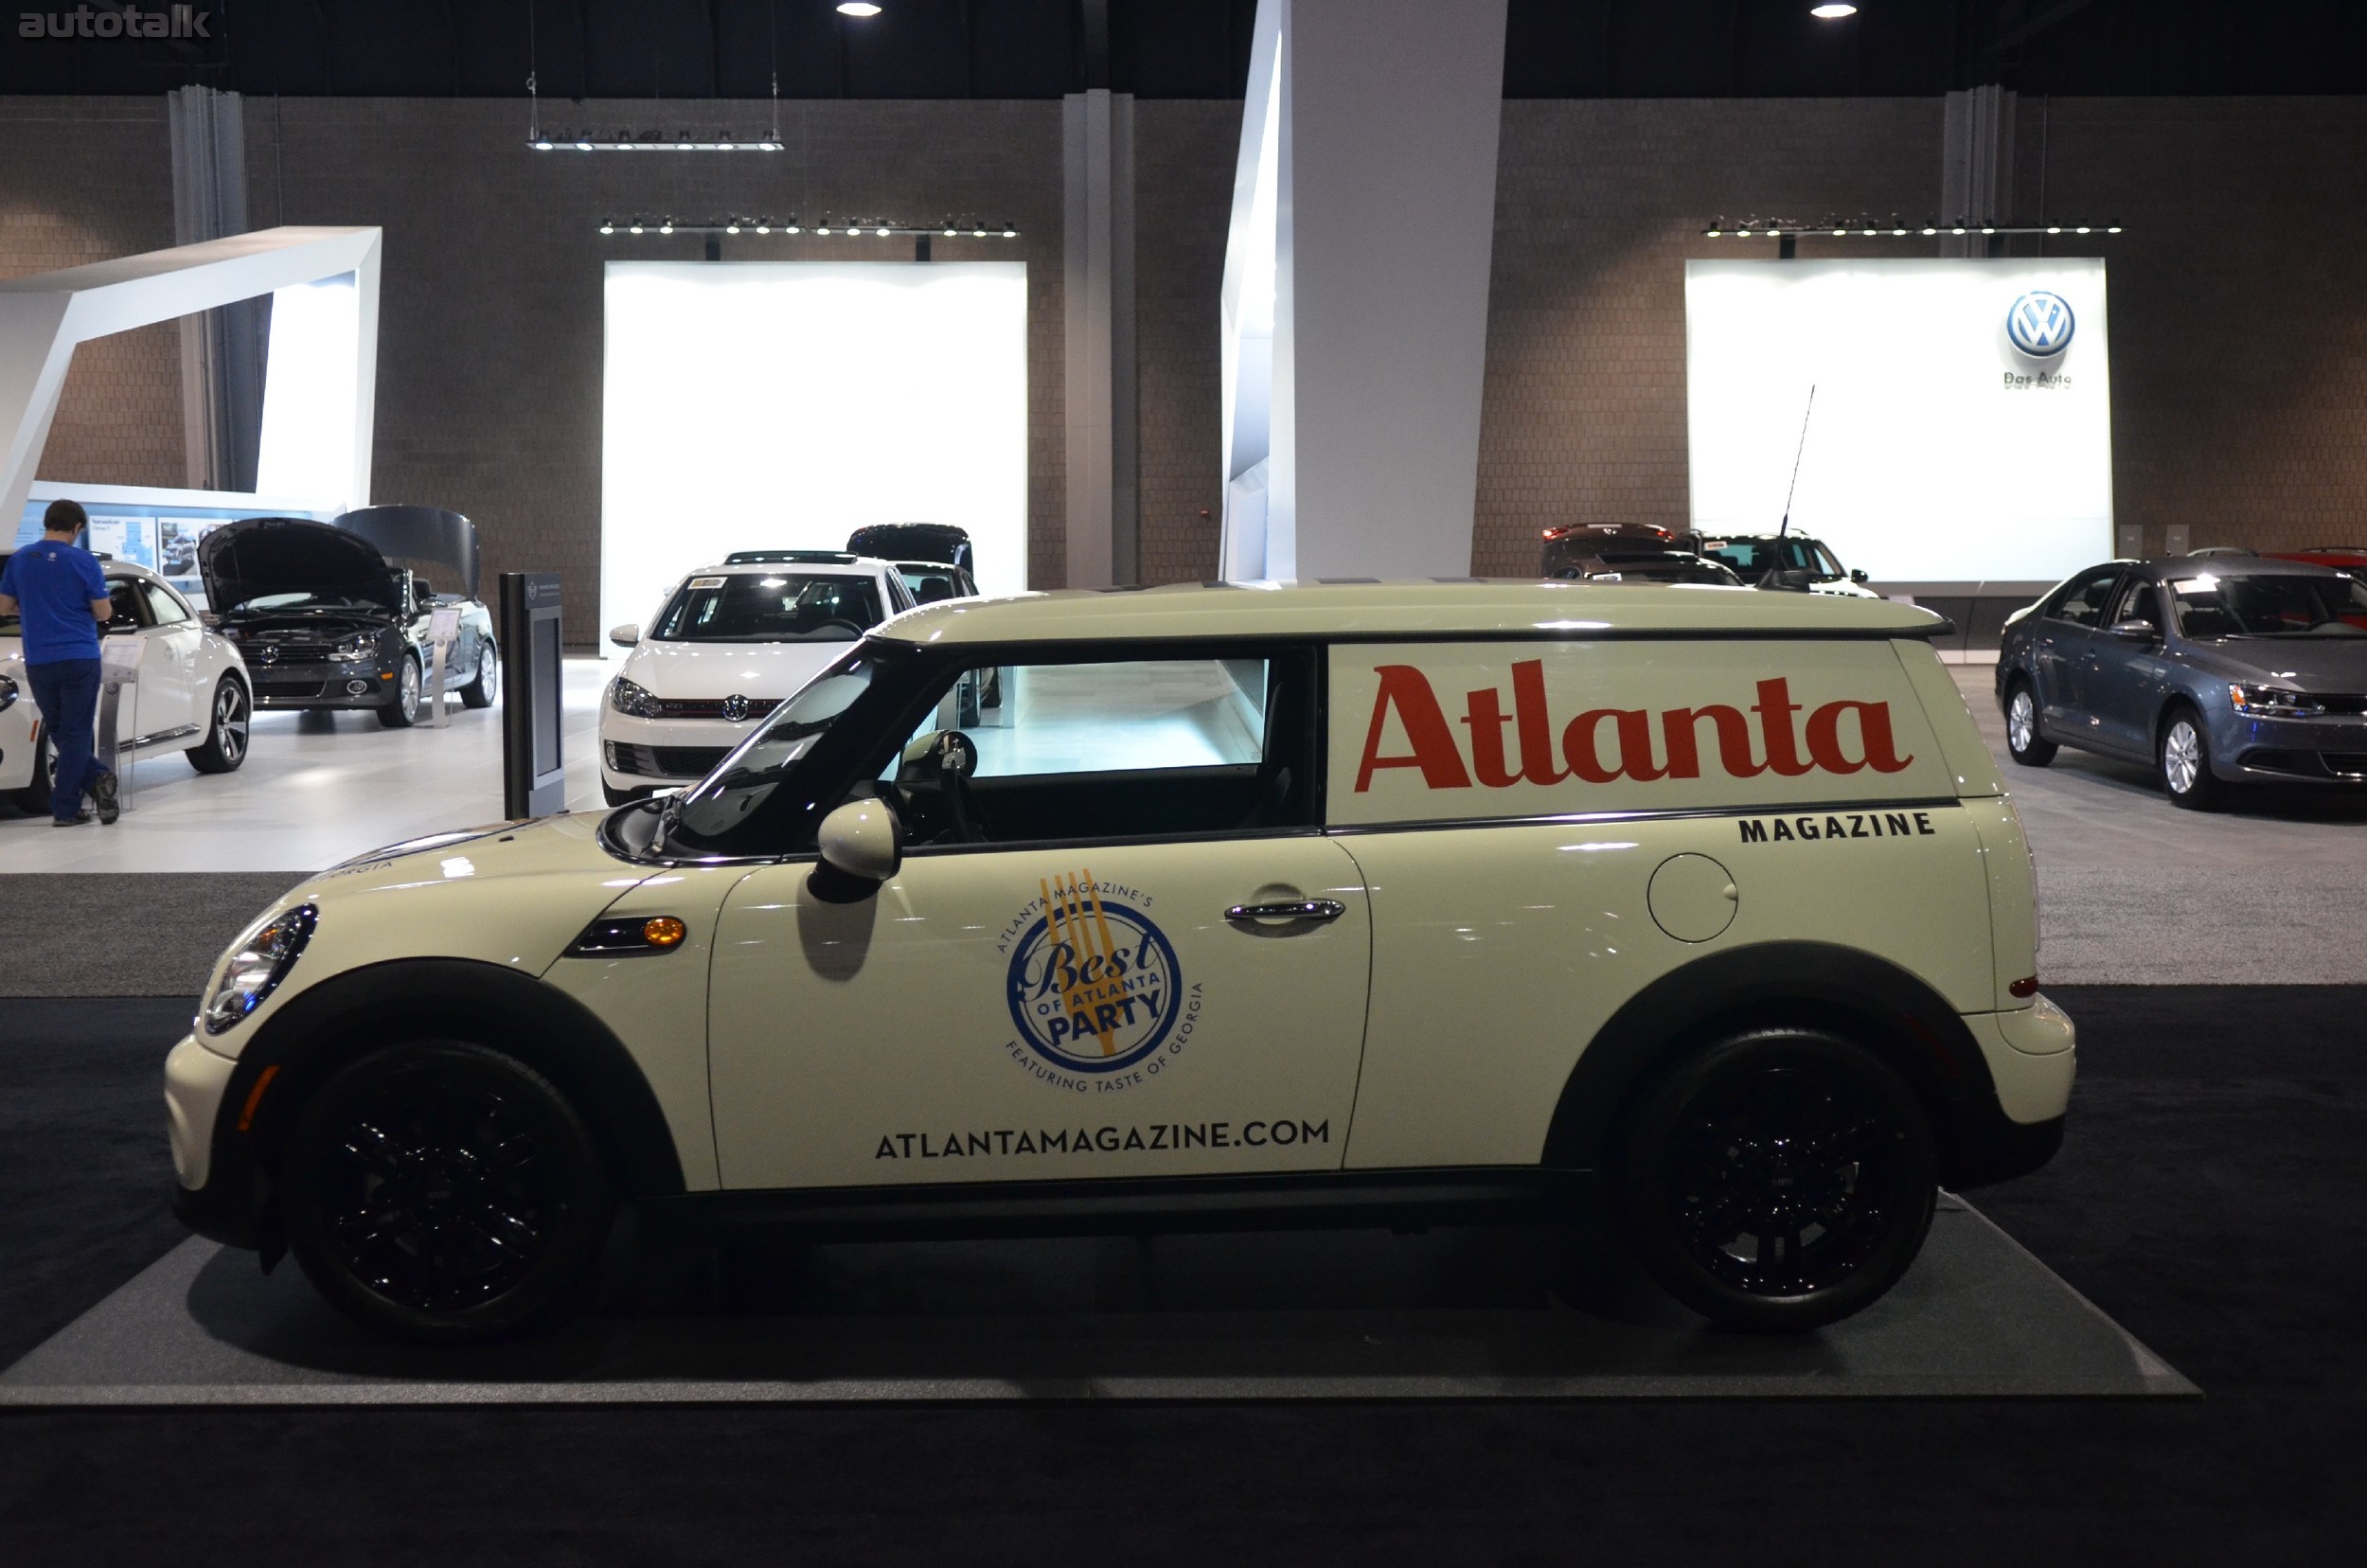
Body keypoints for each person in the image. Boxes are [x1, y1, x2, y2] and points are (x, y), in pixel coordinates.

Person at [0, 499, 118, 826]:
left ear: (47, 522)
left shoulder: (21, 560)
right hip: (80, 657)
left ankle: (96, 779)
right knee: (76, 732)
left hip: (40, 660)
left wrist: (33, 608)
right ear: (77, 528)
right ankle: (67, 807)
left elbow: (3, 606)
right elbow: (103, 613)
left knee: (61, 731)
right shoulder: (84, 561)